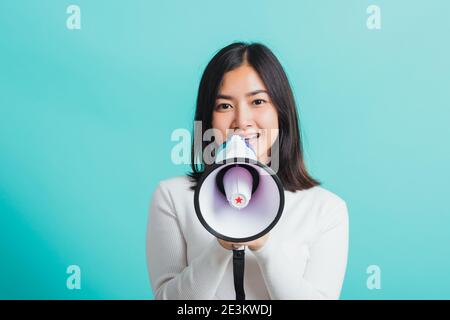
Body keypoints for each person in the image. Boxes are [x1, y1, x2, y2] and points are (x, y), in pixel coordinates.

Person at [146, 42, 349, 300]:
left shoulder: (326, 209)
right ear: (207, 118)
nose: (241, 121)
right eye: (224, 106)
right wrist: (221, 244)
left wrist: (264, 246)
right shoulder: (172, 197)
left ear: (281, 112)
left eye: (258, 101)